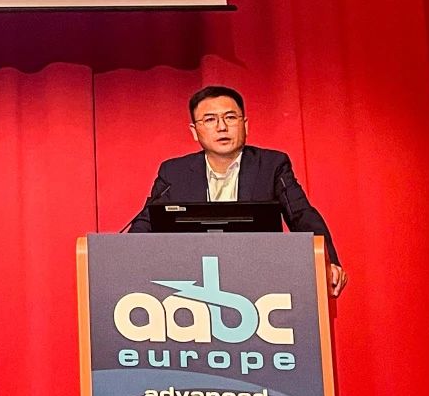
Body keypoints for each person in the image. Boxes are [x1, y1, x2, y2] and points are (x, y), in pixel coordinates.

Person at [127, 85, 348, 297]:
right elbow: (146, 222)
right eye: (210, 119)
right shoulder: (175, 172)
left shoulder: (271, 165)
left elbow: (301, 214)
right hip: (190, 282)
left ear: (245, 125)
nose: (221, 127)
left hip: (260, 281)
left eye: (230, 117)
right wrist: (126, 262)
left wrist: (327, 262)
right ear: (194, 131)